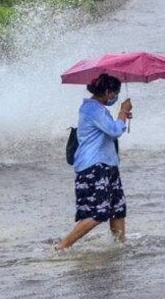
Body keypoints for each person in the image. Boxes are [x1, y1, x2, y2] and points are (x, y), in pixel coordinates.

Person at [56, 73, 133, 251]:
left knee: (117, 209)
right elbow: (114, 131)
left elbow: (111, 129)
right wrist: (121, 112)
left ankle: (119, 247)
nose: (115, 97)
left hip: (108, 165)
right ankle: (62, 246)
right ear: (107, 92)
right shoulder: (92, 109)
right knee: (99, 213)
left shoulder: (99, 109)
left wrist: (122, 117)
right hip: (93, 166)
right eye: (115, 93)